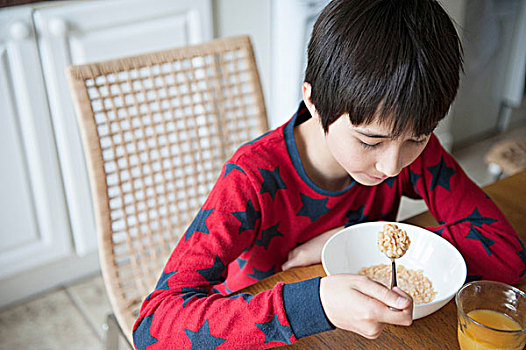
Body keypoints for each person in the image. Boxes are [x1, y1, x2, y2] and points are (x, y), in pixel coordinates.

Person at [133, 0, 526, 348]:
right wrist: (316, 302)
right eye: (369, 141)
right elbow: (153, 326)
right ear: (314, 101)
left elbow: (506, 255)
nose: (392, 166)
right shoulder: (252, 177)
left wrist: (349, 242)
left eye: (418, 138)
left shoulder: (408, 147)